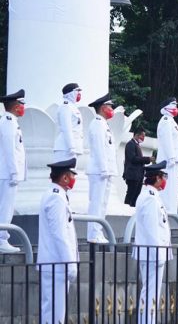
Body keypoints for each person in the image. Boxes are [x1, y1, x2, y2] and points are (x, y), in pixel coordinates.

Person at [37, 158, 79, 324]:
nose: (74, 179)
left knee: (54, 313)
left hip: (56, 264)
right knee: (54, 315)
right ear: (65, 178)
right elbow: (60, 235)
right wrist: (70, 264)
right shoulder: (56, 198)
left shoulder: (57, 196)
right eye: (72, 175)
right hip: (56, 264)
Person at [133, 161, 172, 324]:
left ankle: (148, 321)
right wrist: (158, 254)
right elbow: (151, 230)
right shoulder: (150, 199)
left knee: (151, 292)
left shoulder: (152, 196)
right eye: (163, 177)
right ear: (156, 178)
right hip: (152, 254)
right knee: (150, 292)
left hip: (153, 253)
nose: (165, 180)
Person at [86, 94, 117, 243]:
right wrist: (104, 168)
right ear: (103, 108)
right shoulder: (97, 124)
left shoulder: (103, 124)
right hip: (99, 170)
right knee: (96, 203)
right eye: (110, 106)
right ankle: (93, 233)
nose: (112, 109)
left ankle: (98, 231)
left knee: (103, 203)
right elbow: (99, 149)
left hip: (105, 170)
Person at [0, 89, 26, 253]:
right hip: (7, 173)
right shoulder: (8, 122)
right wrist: (14, 172)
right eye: (22, 104)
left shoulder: (11, 121)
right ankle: (2, 239)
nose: (23, 107)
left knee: (6, 207)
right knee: (5, 207)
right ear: (15, 106)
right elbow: (10, 149)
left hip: (7, 172)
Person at [156, 98, 178, 213]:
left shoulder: (171, 121)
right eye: (172, 104)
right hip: (168, 160)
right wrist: (171, 157)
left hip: (174, 159)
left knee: (173, 188)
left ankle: (172, 211)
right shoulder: (166, 120)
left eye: (175, 104)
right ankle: (167, 210)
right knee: (167, 188)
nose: (175, 107)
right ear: (165, 107)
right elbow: (167, 140)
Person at [53, 83, 84, 163]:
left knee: (71, 174)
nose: (79, 93)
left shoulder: (72, 107)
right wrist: (71, 147)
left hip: (70, 148)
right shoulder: (65, 107)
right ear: (71, 93)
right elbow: (67, 128)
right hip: (65, 147)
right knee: (63, 174)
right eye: (77, 91)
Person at [123, 127, 151, 207]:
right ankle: (126, 209)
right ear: (137, 135)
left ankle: (132, 209)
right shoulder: (130, 144)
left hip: (138, 175)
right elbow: (133, 159)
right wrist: (147, 159)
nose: (143, 138)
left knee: (136, 194)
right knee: (131, 193)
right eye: (142, 136)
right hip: (132, 175)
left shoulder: (136, 145)